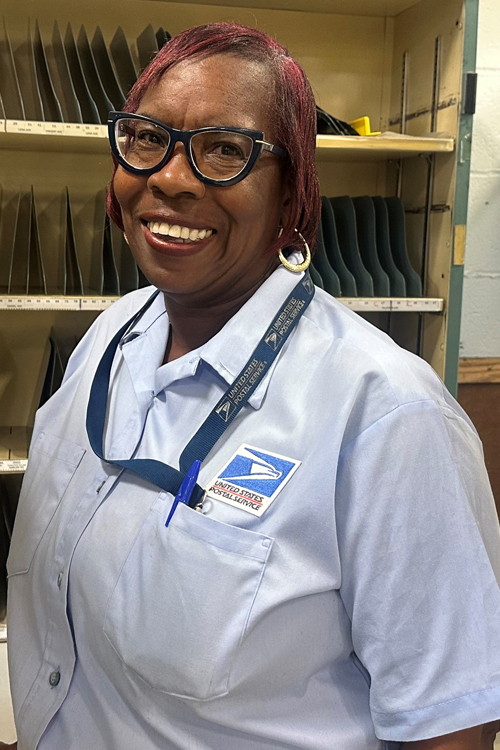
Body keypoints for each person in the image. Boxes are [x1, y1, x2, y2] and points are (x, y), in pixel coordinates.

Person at [4, 22, 500, 750]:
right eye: (146, 138)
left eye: (225, 151)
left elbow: (449, 726)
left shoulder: (386, 416)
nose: (170, 177)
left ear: (292, 189)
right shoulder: (111, 338)